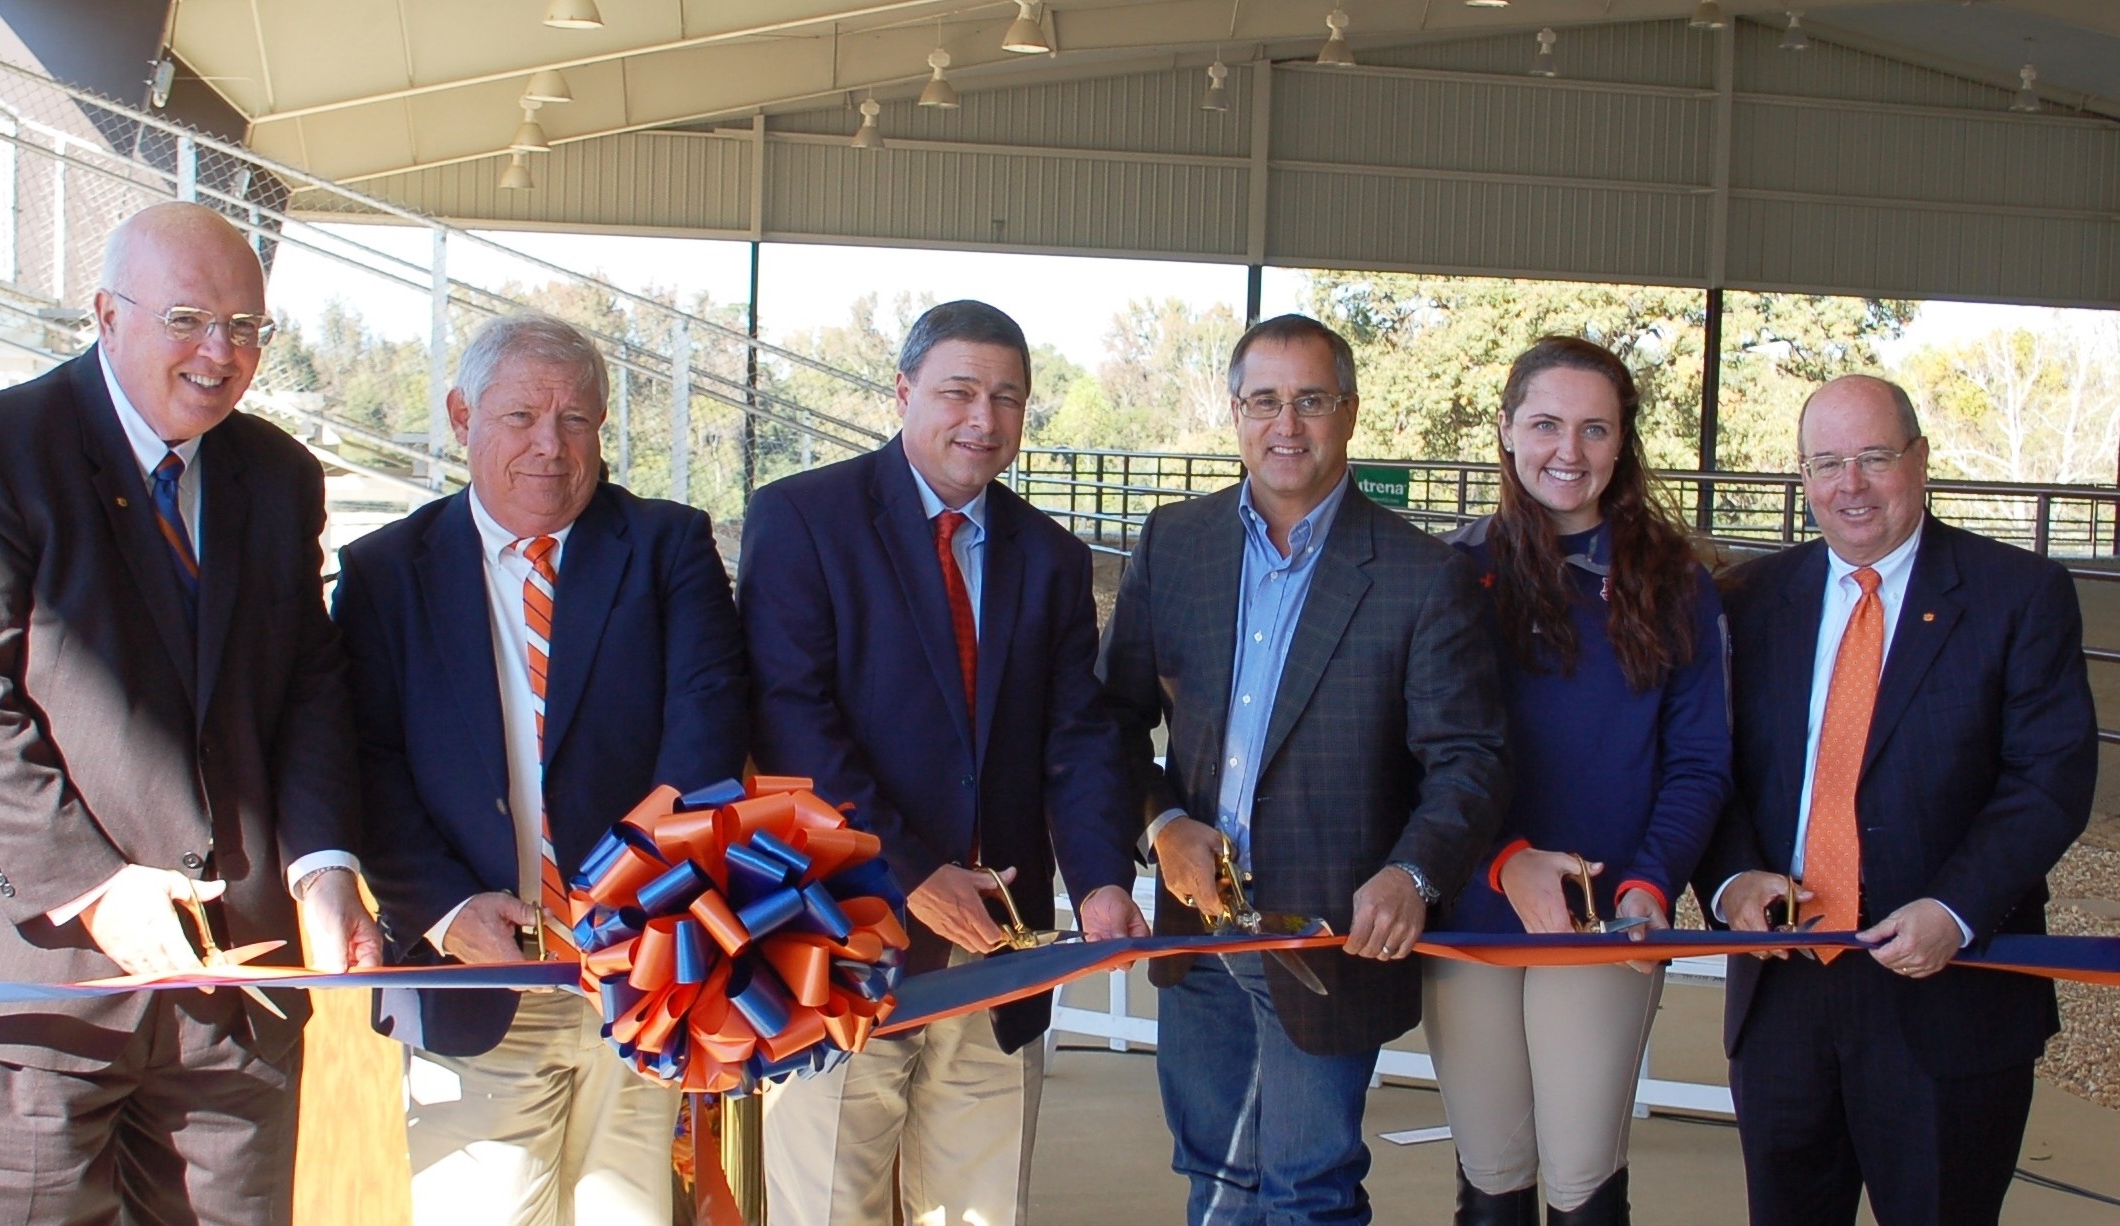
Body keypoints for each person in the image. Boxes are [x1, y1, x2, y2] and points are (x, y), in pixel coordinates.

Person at [0, 201, 380, 1222]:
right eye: (187, 317)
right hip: (9, 1007)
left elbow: (307, 686)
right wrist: (88, 885)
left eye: (247, 327)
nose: (220, 352)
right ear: (106, 313)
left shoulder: (279, 478)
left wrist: (325, 868)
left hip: (227, 1005)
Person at [334, 312, 746, 1226]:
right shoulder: (383, 572)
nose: (550, 448)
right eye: (520, 417)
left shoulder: (670, 546)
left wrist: (636, 897)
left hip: (637, 971)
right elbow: (364, 765)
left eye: (576, 422)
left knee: (631, 1212)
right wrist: (442, 908)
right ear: (460, 416)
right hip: (474, 976)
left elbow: (708, 731)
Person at [740, 299, 1145, 1226]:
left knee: (980, 1208)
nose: (984, 419)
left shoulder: (1049, 554)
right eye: (959, 391)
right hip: (843, 940)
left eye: (1009, 398)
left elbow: (1076, 734)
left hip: (1000, 952)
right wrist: (914, 873)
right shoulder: (803, 518)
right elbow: (792, 722)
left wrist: (1098, 881)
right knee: (828, 1208)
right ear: (903, 391)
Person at [1099, 313, 1508, 1225]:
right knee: (1214, 1172)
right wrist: (1163, 827)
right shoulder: (1175, 543)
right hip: (1197, 931)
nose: (1288, 425)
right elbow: (1111, 722)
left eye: (1311, 401)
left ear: (1350, 413)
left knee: (1307, 1188)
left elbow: (1469, 758)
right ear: (1236, 412)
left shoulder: (1419, 573)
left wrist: (1412, 872)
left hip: (1328, 937)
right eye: (1265, 401)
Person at [1697, 374, 2096, 1225]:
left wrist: (1957, 908)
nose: (1851, 485)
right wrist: (1733, 882)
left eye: (1874, 458)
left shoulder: (2018, 595)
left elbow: (2050, 778)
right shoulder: (1747, 602)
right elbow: (1708, 768)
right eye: (1828, 462)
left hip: (1951, 987)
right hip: (1784, 989)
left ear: (1919, 461)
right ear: (1801, 476)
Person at [1428, 337, 1732, 1225]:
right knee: (1492, 1171)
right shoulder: (1449, 572)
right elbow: (1415, 751)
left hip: (1606, 914)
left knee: (1580, 1176)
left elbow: (1699, 761)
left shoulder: (1677, 582)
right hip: (1475, 907)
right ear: (1508, 432)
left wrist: (1650, 879)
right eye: (1548, 424)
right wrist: (1497, 860)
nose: (1571, 450)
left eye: (1595, 429)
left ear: (1623, 440)